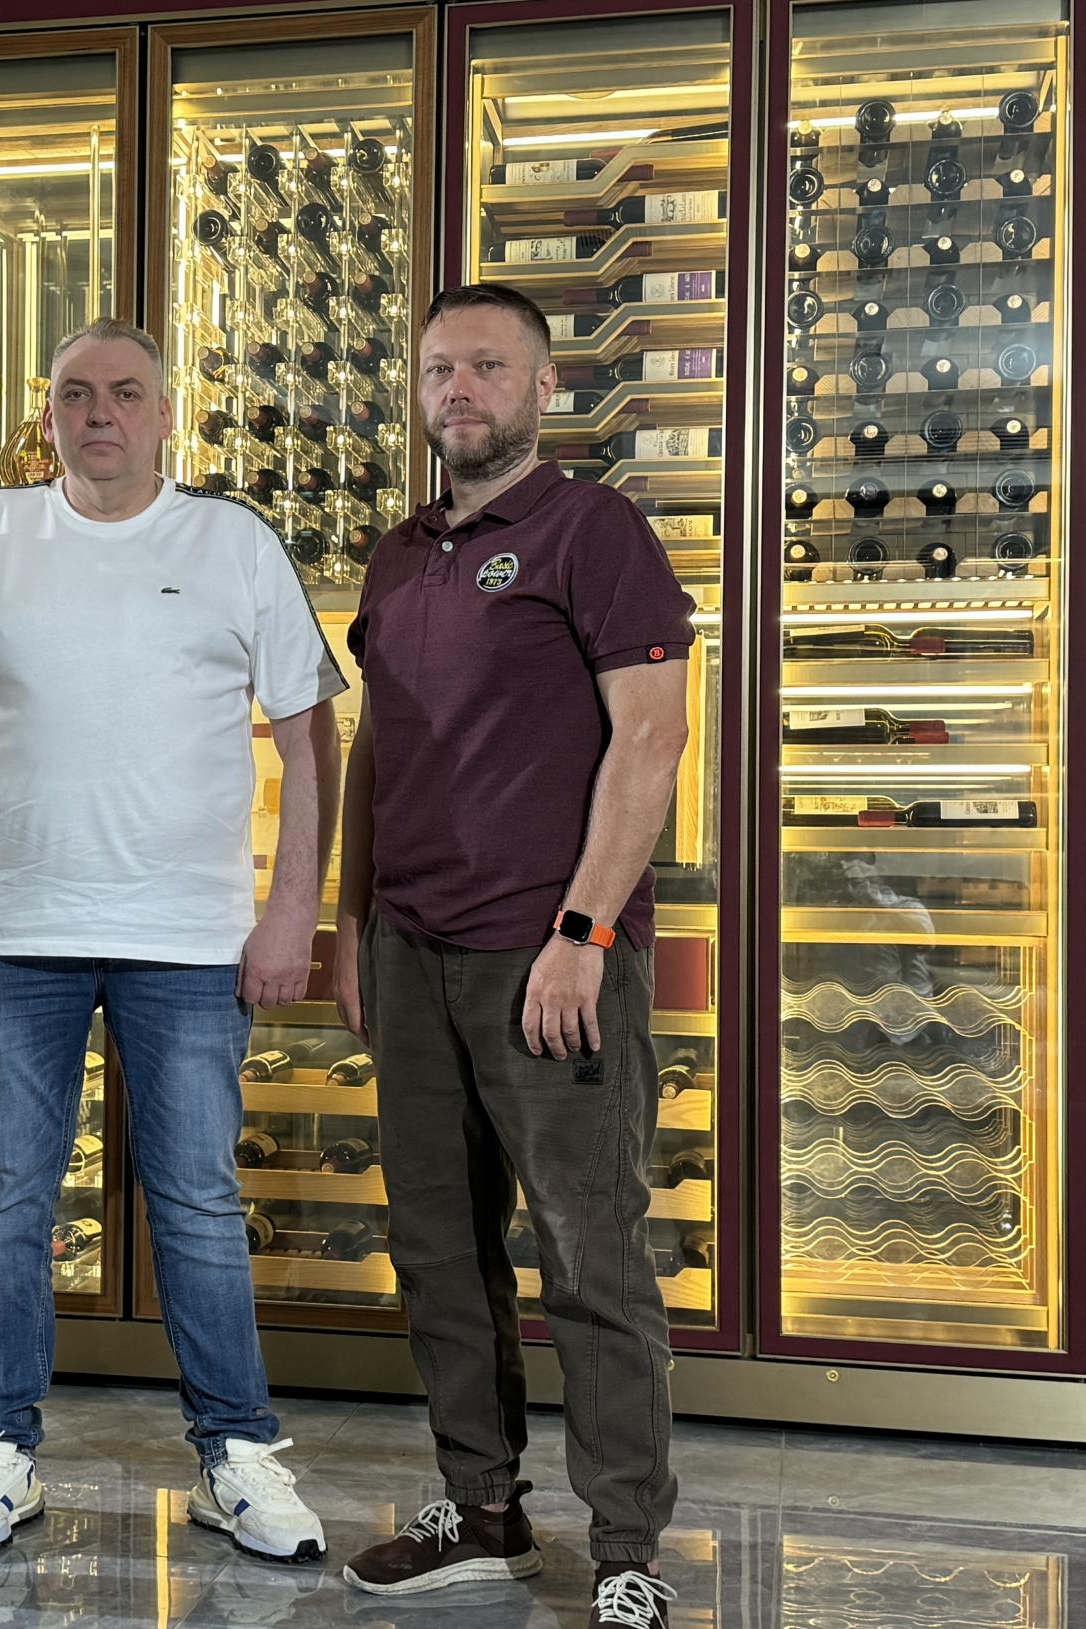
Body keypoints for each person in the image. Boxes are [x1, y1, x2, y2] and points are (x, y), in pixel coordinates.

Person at [0, 317, 345, 1564]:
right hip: (13, 934)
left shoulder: (232, 542)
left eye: (125, 393)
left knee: (196, 1201)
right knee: (3, 1201)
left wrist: (291, 908)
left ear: (163, 413)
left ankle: (236, 1453)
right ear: (47, 415)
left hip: (189, 939)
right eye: (76, 393)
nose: (100, 414)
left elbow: (309, 734)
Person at [334, 282, 693, 1629]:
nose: (458, 389)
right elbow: (378, 748)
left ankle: (625, 1548)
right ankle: (481, 1511)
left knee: (589, 1257)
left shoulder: (593, 531)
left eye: (487, 366)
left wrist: (582, 934)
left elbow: (651, 737)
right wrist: (354, 923)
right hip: (413, 951)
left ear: (545, 388)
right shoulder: (398, 553)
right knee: (437, 1248)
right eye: (438, 368)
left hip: (547, 957)